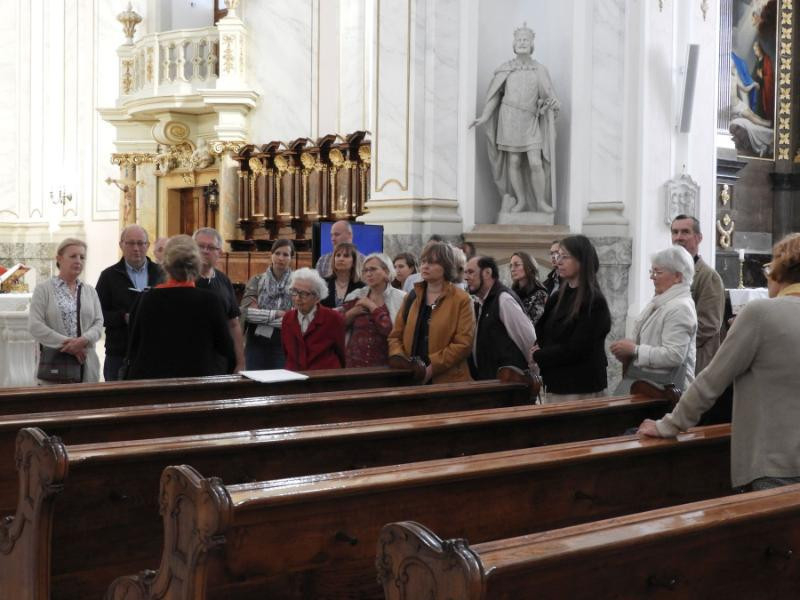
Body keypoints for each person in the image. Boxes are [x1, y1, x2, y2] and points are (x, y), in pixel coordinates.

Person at [638, 233, 800, 492]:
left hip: (775, 465)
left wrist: (668, 425)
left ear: (780, 271)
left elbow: (711, 381)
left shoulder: (761, 313)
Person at [470, 23, 559, 214]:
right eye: (519, 40)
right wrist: (485, 116)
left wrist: (552, 103)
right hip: (509, 118)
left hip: (531, 120)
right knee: (514, 161)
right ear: (514, 43)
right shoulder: (506, 69)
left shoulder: (539, 70)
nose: (522, 42)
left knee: (535, 162)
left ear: (532, 44)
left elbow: (550, 95)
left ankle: (541, 201)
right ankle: (521, 201)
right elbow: (495, 96)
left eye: (526, 40)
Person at [124, 235, 236, 379]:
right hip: (196, 381)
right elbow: (226, 348)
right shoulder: (210, 301)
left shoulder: (147, 299)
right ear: (197, 265)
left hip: (156, 382)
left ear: (165, 265)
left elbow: (133, 345)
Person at [533, 235, 611, 402]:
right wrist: (537, 347)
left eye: (565, 257)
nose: (558, 262)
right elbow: (543, 330)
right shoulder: (557, 297)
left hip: (580, 387)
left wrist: (540, 355)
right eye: (558, 256)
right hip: (556, 383)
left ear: (581, 261)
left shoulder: (594, 301)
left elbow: (577, 349)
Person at [610, 246, 697, 394]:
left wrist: (635, 350)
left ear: (677, 276)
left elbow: (674, 355)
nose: (652, 277)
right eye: (652, 271)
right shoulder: (661, 300)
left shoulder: (680, 307)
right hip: (646, 384)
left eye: (658, 272)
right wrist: (628, 353)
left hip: (663, 391)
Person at [388, 242, 474, 384]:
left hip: (447, 380)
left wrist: (431, 369)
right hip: (410, 376)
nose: (425, 266)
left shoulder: (462, 300)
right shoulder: (412, 296)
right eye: (423, 262)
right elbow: (395, 336)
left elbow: (463, 344)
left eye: (432, 263)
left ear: (446, 266)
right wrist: (401, 360)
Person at [29, 238, 104, 383]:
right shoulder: (43, 290)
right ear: (59, 259)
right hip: (54, 366)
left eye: (82, 257)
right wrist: (69, 345)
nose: (78, 261)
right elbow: (35, 325)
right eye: (73, 256)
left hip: (85, 365)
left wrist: (83, 340)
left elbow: (98, 322)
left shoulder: (90, 291)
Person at [96, 224, 163, 381]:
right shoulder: (109, 276)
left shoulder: (161, 274)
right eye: (131, 243)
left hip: (154, 351)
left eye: (140, 243)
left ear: (147, 245)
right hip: (119, 353)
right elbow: (97, 314)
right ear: (121, 245)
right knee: (117, 395)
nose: (136, 248)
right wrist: (123, 317)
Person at [463, 255, 536, 379]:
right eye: (465, 273)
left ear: (487, 273)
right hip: (490, 382)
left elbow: (528, 340)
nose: (466, 277)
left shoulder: (504, 299)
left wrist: (533, 375)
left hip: (510, 383)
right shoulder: (480, 303)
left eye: (471, 272)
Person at [670, 215, 724, 375]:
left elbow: (708, 325)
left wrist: (672, 343)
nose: (678, 237)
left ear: (699, 238)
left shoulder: (709, 277)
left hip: (695, 363)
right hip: (671, 359)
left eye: (685, 232)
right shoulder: (669, 272)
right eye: (675, 232)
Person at [193, 227, 245, 372]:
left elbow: (234, 324)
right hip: (191, 358)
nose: (205, 251)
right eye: (200, 246)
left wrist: (241, 362)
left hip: (219, 359)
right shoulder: (183, 278)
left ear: (219, 253)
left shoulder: (224, 280)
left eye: (210, 247)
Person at [343, 253, 406, 367]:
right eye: (365, 270)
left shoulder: (401, 298)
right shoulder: (355, 296)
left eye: (373, 269)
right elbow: (338, 327)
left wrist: (373, 307)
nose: (368, 274)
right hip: (354, 365)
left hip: (387, 366)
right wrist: (352, 313)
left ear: (386, 271)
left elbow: (393, 333)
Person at [240, 238, 295, 370]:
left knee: (281, 381)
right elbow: (247, 314)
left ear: (291, 258)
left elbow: (295, 319)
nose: (281, 258)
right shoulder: (256, 280)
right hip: (256, 342)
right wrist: (277, 313)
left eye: (285, 254)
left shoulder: (297, 283)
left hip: (284, 342)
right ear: (271, 255)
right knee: (254, 380)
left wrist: (262, 315)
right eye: (277, 253)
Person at [281, 267, 346, 370]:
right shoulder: (287, 318)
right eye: (294, 291)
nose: (297, 298)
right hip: (295, 376)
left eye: (304, 294)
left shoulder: (333, 318)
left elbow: (341, 352)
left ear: (317, 298)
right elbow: (287, 352)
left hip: (323, 376)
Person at [320, 242, 364, 309]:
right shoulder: (323, 283)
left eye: (346, 256)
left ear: (353, 262)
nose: (341, 259)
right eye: (338, 255)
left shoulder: (362, 287)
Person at [510, 251, 549, 325]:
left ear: (529, 267)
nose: (512, 269)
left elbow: (529, 324)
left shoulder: (540, 294)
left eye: (517, 265)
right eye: (511, 266)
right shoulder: (511, 292)